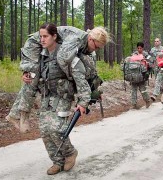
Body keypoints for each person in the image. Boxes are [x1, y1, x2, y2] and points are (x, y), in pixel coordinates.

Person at [18, 23, 110, 175]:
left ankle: (69, 153)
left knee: (57, 128)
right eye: (42, 37)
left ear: (54, 37)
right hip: (47, 94)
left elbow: (80, 79)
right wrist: (27, 73)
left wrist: (83, 102)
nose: (42, 39)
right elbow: (36, 70)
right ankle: (57, 162)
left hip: (63, 95)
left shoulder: (71, 53)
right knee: (44, 130)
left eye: (45, 36)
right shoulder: (42, 53)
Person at [129, 42, 152, 109]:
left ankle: (148, 101)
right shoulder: (134, 54)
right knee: (133, 90)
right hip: (134, 75)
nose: (139, 49)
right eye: (138, 48)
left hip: (142, 75)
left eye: (140, 48)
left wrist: (146, 62)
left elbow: (152, 61)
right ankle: (134, 104)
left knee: (142, 89)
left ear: (143, 48)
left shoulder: (146, 55)